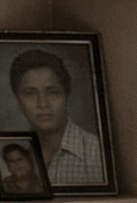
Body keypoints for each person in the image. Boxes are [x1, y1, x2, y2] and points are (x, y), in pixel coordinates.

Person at [8, 49, 107, 186]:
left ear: (67, 97)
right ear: (18, 102)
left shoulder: (98, 154)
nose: (43, 104)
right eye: (30, 93)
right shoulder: (15, 155)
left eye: (53, 92)